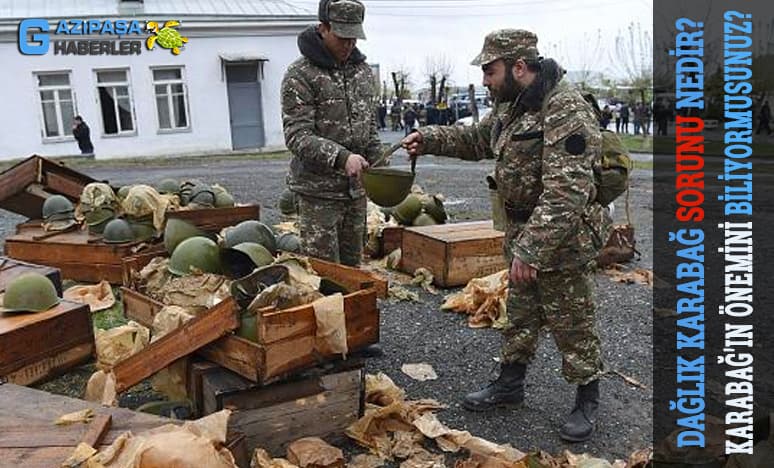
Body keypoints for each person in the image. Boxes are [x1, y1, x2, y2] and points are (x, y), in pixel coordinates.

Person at [402, 29, 611, 443]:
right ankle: (510, 383)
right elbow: (476, 140)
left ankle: (587, 397)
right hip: (520, 229)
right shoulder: (510, 105)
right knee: (520, 313)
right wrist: (428, 138)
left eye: (489, 71)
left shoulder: (565, 108)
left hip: (563, 238)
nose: (484, 81)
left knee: (572, 320)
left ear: (519, 67)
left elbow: (566, 192)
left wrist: (531, 251)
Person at [281, 0, 382, 267]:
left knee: (353, 272)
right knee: (324, 276)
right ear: (323, 28)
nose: (349, 45)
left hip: (355, 194)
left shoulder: (362, 73)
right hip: (318, 196)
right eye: (342, 37)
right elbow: (297, 136)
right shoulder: (300, 75)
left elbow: (368, 126)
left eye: (354, 37)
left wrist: (381, 164)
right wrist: (342, 157)